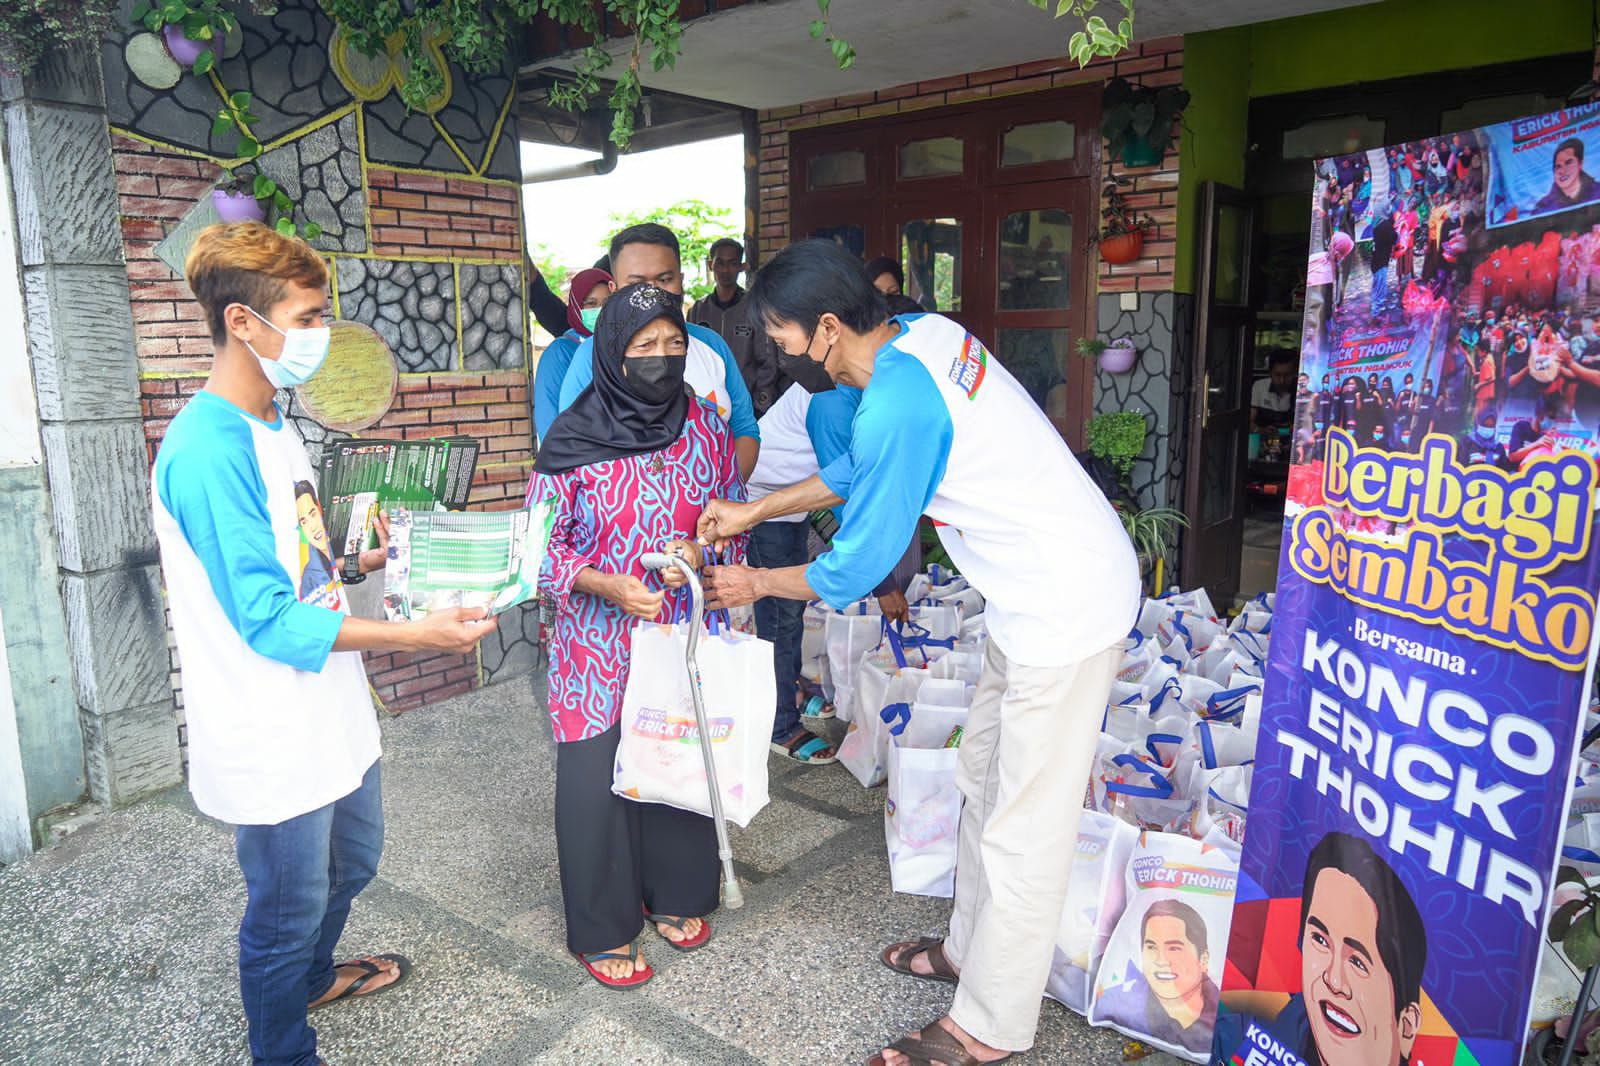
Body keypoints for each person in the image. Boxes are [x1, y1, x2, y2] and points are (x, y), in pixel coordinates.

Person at [694, 240, 1139, 1066]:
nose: (779, 348)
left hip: (1069, 606)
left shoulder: (902, 397)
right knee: (981, 779)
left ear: (828, 328)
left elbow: (854, 566)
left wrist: (756, 585)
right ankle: (974, 955)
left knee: (1023, 823)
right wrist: (753, 512)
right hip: (1029, 598)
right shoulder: (919, 334)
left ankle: (990, 1027)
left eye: (784, 333)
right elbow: (867, 468)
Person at [154, 222, 495, 1066]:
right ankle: (284, 1046)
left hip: (330, 707)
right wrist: (416, 632)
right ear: (242, 322)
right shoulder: (206, 448)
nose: (318, 336)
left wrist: (357, 559)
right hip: (269, 729)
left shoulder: (275, 423)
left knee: (356, 862)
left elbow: (298, 563)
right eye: (305, 318)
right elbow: (266, 616)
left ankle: (311, 976)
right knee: (281, 913)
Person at [527, 283, 742, 990]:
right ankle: (604, 924)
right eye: (643, 346)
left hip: (680, 627)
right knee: (597, 780)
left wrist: (704, 551)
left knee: (677, 755)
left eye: (674, 344)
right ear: (611, 353)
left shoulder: (705, 425)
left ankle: (676, 891)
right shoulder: (570, 437)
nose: (660, 358)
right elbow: (537, 550)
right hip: (597, 643)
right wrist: (605, 583)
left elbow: (729, 514)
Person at [557, 224, 761, 479]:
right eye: (637, 283)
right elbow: (569, 450)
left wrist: (724, 495)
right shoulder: (590, 357)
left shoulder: (712, 345)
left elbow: (744, 429)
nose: (653, 293)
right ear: (614, 289)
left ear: (681, 279)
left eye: (665, 280)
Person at [1216, 832, 1426, 1066]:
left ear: (1406, 1026)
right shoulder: (1240, 1041)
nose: (1333, 980)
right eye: (1321, 941)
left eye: (1358, 962)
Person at [1093, 900, 1219, 1056]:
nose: (1161, 960)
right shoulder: (1115, 1002)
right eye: (1151, 947)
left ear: (1204, 958)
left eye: (1174, 948)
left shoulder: (1230, 1019)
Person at [689, 237, 782, 416]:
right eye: (720, 263)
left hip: (746, 405)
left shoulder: (755, 308)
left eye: (732, 264)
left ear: (742, 267)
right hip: (706, 405)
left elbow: (768, 362)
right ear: (711, 265)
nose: (725, 270)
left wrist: (760, 404)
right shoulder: (698, 311)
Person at [534, 267, 611, 442]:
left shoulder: (624, 348)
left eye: (607, 303)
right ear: (576, 307)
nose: (601, 310)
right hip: (575, 458)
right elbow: (548, 419)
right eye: (591, 304)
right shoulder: (560, 352)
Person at [1535, 137, 1599, 214]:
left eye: (1568, 162)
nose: (1562, 171)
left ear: (1580, 163)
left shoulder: (1597, 192)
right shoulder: (1543, 208)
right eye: (1558, 166)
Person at [1252, 352, 1296, 431]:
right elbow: (1249, 421)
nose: (1282, 380)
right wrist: (1260, 429)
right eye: (1278, 375)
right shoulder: (1259, 386)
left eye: (1287, 375)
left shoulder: (1301, 391)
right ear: (1270, 373)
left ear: (1294, 374)